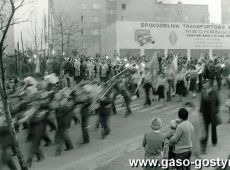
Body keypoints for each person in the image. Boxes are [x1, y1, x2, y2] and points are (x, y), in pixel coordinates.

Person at [200, 81, 221, 154]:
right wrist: (200, 113)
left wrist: (216, 111)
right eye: (204, 85)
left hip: (213, 114)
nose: (204, 86)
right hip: (205, 115)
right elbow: (202, 104)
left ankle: (214, 141)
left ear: (209, 86)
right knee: (205, 131)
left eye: (205, 85)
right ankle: (203, 147)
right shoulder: (204, 93)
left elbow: (218, 102)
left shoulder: (214, 92)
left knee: (213, 128)